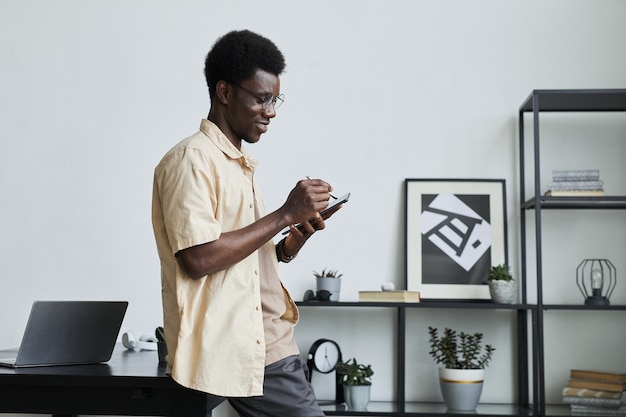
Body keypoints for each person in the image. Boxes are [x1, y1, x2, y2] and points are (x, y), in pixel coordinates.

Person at [151, 29, 340, 417]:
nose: (271, 111)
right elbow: (198, 258)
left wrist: (287, 245)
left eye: (275, 99)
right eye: (261, 98)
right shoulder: (192, 160)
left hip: (264, 341)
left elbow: (236, 255)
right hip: (251, 347)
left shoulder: (235, 164)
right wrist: (285, 213)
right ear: (224, 92)